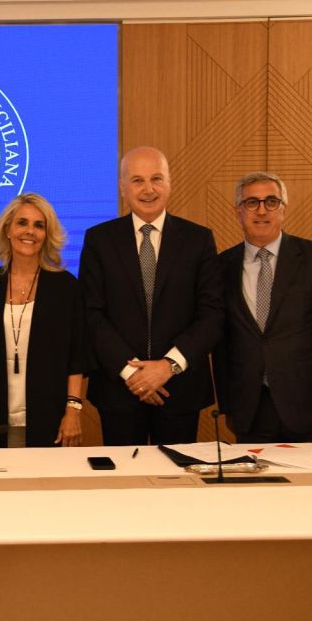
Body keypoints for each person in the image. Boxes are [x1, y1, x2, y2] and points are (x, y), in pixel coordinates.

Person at [212, 172, 312, 448]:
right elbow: (221, 344)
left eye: (271, 201)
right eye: (251, 202)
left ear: (283, 208)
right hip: (251, 412)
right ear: (238, 211)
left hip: (311, 410)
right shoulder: (221, 266)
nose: (262, 210)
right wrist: (228, 406)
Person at [79, 146, 224, 445]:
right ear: (123, 188)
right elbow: (91, 314)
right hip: (119, 390)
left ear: (169, 183)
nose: (148, 189)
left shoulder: (198, 239)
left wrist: (168, 366)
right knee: (123, 474)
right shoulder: (99, 240)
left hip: (179, 389)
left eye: (156, 179)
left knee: (177, 475)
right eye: (137, 180)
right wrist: (131, 373)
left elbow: (212, 314)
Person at [0, 193, 85, 448]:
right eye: (22, 223)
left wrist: (73, 409)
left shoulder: (65, 287)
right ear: (8, 229)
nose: (30, 231)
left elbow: (76, 356)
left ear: (47, 234)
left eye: (39, 225)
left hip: (50, 414)